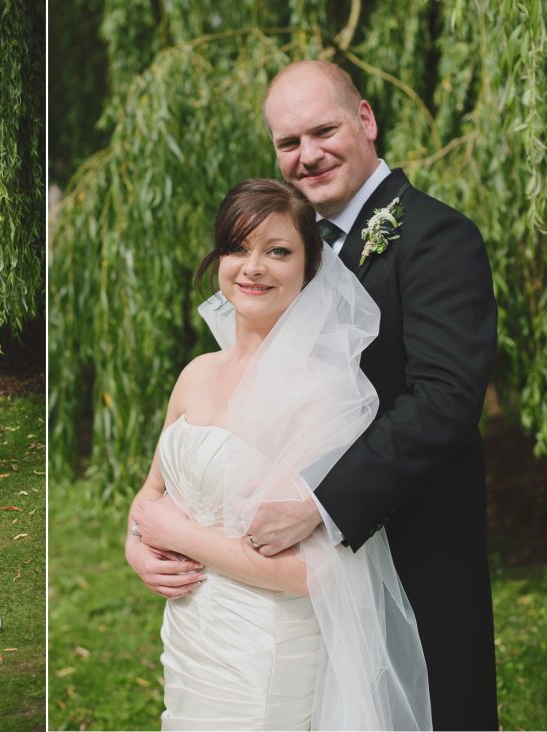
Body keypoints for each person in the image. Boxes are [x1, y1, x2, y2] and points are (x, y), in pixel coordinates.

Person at [129, 60, 499, 730]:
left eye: (323, 131)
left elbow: (444, 399)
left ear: (365, 120)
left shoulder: (436, 236)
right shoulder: (290, 245)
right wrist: (145, 531)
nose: (308, 154)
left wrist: (320, 506)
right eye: (288, 142)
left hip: (413, 543)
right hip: (268, 600)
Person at [128, 178, 431, 730]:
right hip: (191, 638)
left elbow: (316, 574)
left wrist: (178, 537)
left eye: (278, 251)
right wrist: (136, 548)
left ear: (310, 269)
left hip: (263, 650)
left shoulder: (322, 394)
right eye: (238, 247)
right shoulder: (197, 373)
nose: (253, 267)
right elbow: (152, 494)